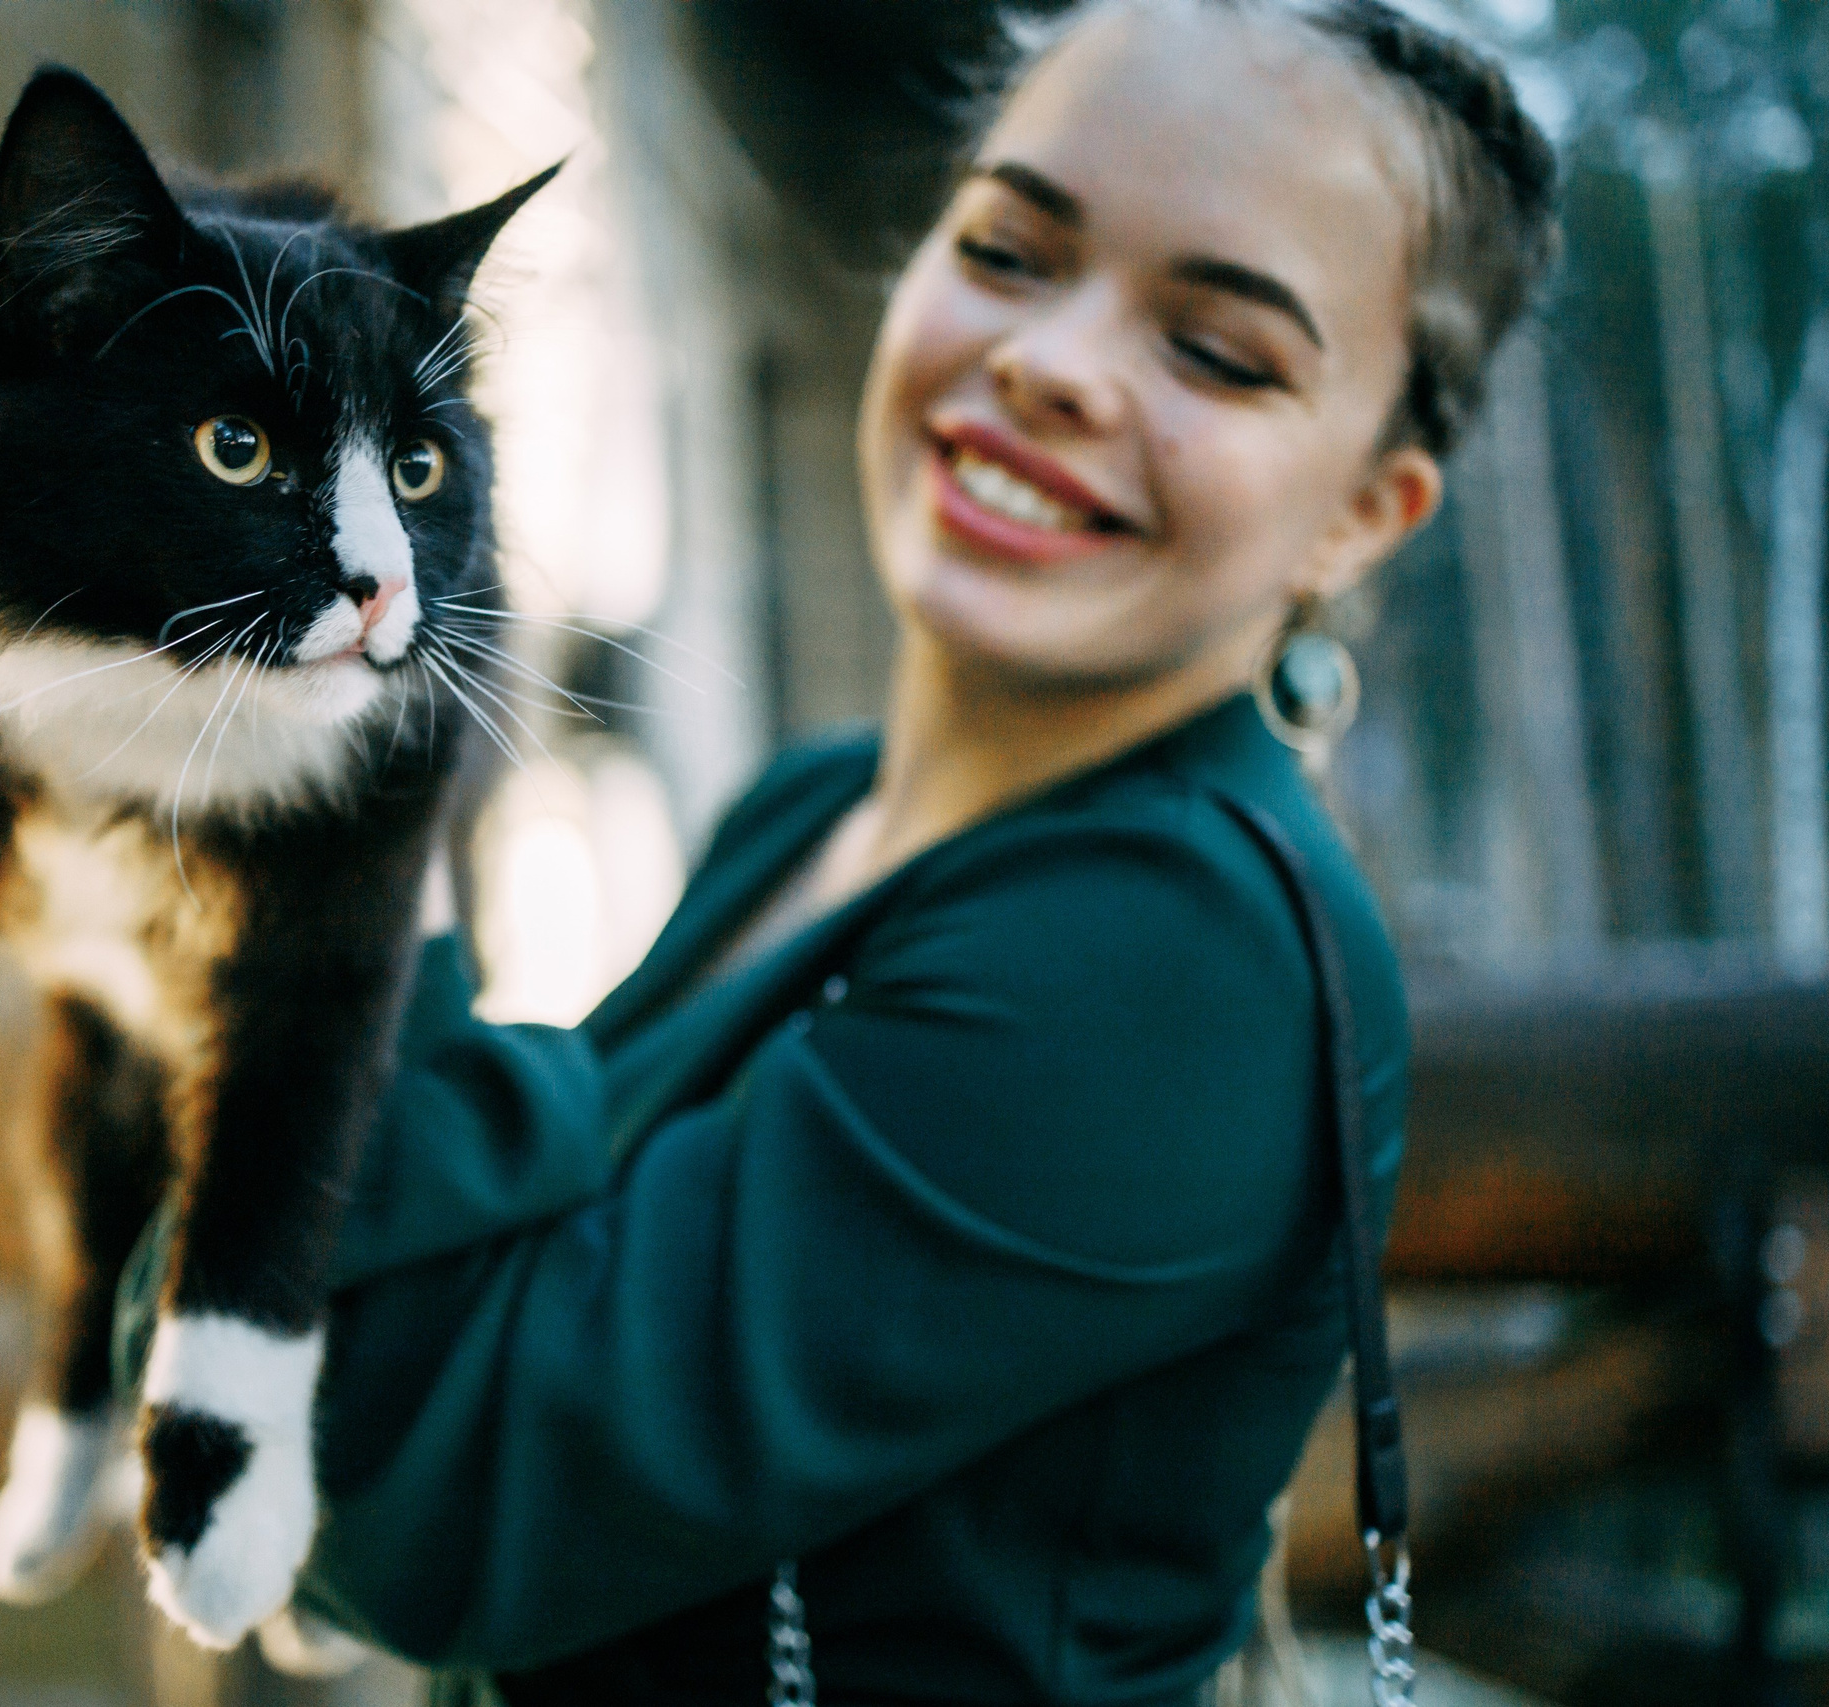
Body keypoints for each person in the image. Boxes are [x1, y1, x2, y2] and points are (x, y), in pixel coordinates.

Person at [292, 0, 1560, 1698]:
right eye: (1011, 251)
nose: (1053, 362)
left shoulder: (1175, 953)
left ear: (1360, 513)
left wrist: (324, 816)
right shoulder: (815, 807)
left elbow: (393, 1492)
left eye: (1217, 350)